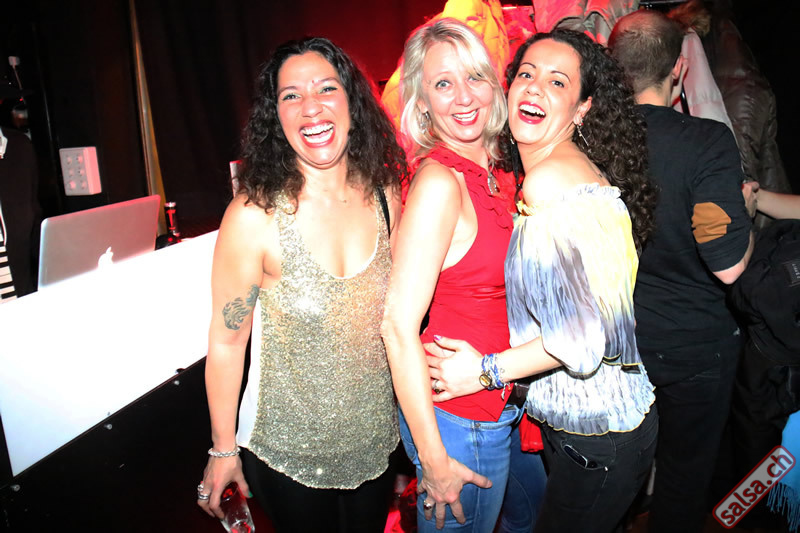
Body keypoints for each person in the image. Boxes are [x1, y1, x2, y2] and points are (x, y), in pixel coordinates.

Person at [425, 29, 659, 532]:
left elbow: (581, 342)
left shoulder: (549, 182)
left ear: (582, 109)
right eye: (526, 74)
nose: (534, 87)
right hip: (610, 430)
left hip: (597, 440)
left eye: (557, 82)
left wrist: (482, 372)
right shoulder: (574, 171)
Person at [196, 37, 406, 533]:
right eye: (291, 95)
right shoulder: (254, 216)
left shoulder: (387, 194)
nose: (310, 107)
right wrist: (222, 450)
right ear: (276, 115)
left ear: (353, 101)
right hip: (285, 455)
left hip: (376, 443)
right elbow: (227, 342)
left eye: (326, 88)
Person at [381, 18, 546, 532]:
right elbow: (396, 326)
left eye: (474, 76)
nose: (463, 96)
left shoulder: (503, 170)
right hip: (460, 421)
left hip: (504, 400)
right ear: (422, 103)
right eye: (443, 83)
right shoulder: (440, 183)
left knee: (534, 515)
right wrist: (433, 462)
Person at [608, 11, 754, 533]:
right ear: (680, 68)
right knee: (683, 478)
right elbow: (728, 266)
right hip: (696, 347)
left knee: (616, 477)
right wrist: (745, 215)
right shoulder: (706, 141)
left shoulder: (589, 141)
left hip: (616, 346)